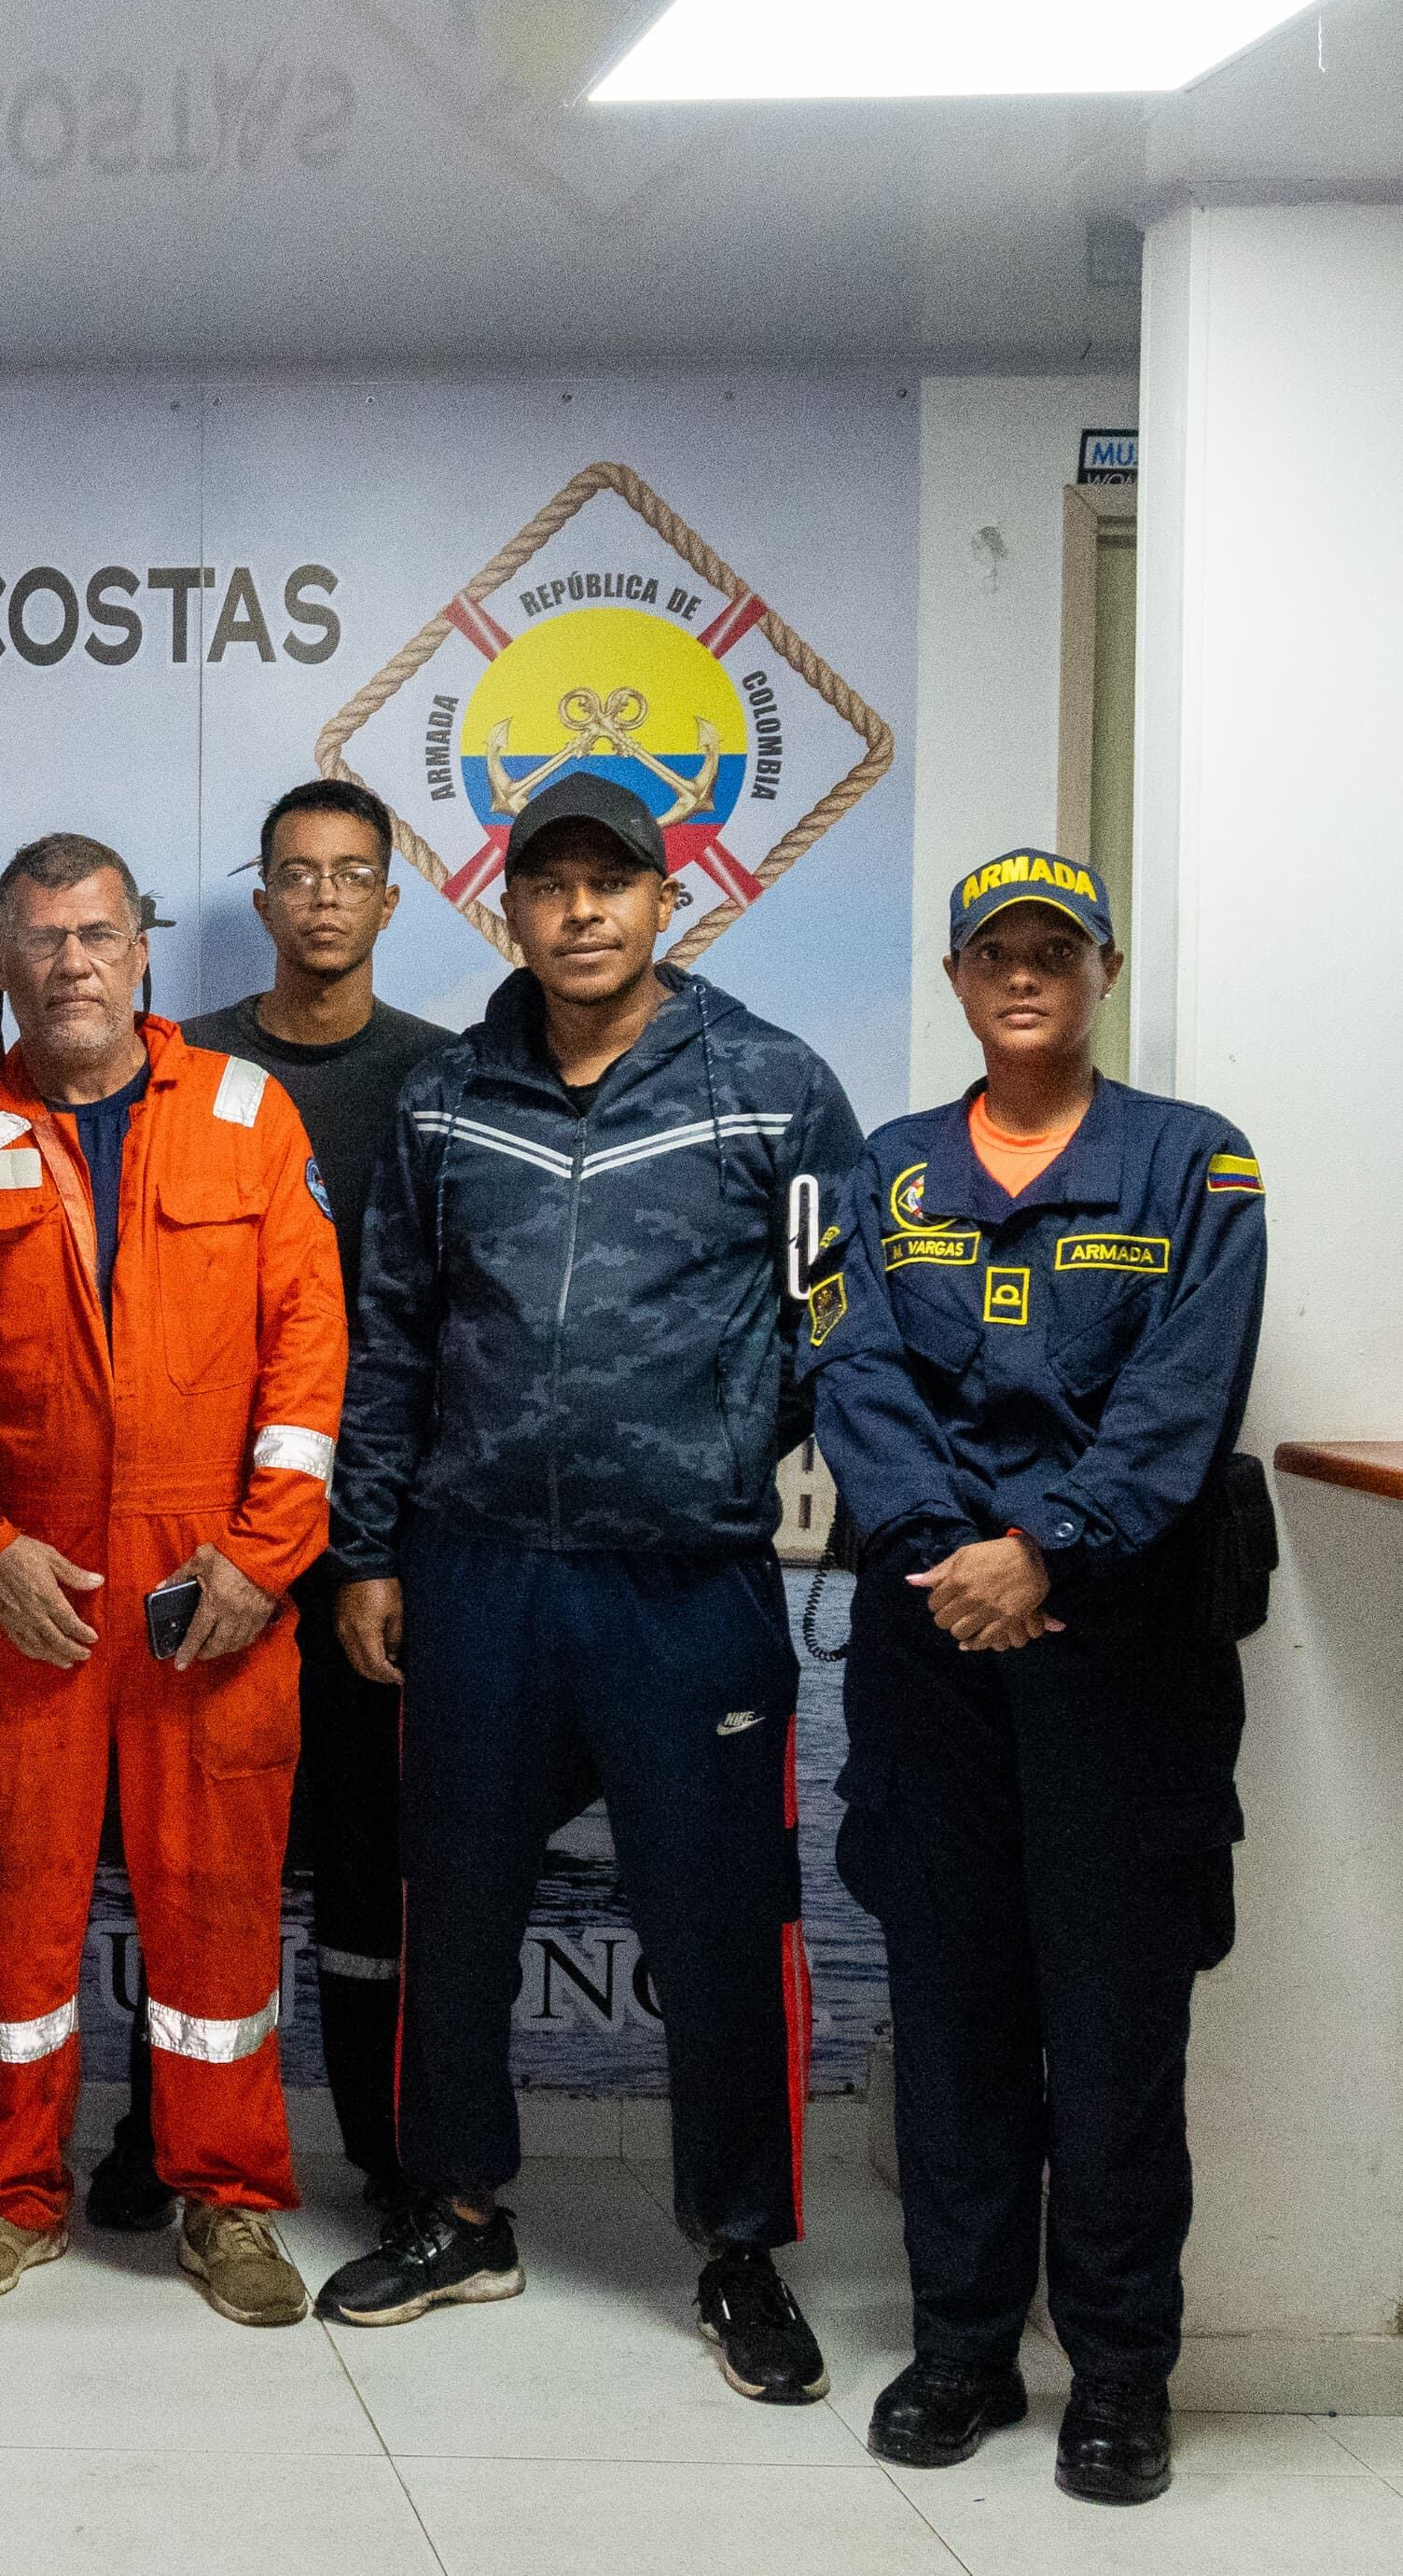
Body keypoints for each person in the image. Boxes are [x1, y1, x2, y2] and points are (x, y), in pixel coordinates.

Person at [313, 771, 864, 2408]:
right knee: (456, 1909)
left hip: (684, 1581)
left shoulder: (775, 1086)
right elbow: (393, 1333)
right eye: (547, 883)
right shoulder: (445, 1096)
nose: (580, 910)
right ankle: (459, 2207)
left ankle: (742, 2246)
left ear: (665, 895)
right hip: (476, 1570)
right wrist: (366, 1549)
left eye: (609, 881)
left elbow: (835, 1320)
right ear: (510, 908)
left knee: (720, 1924)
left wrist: (712, 1450)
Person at [808, 852, 1265, 2507]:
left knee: (1117, 2024)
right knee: (956, 2016)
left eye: (1052, 952)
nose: (1023, 976)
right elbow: (848, 1367)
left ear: (1102, 971)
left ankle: (1122, 2377)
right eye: (993, 952)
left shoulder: (1195, 1163)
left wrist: (1047, 1547)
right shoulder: (887, 1171)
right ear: (954, 980)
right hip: (940, 1646)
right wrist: (957, 1552)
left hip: (1123, 1654)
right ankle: (962, 2349)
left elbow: (1183, 1400)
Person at [0, 832, 345, 2325]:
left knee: (217, 1908)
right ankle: (5, 2196)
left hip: (209, 1586)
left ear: (141, 949)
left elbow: (306, 1363)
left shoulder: (246, 1112)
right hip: (27, 1585)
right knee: (13, 1910)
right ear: (0, 963)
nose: (72, 960)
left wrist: (265, 1561)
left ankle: (227, 2201)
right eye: (41, 937)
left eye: (96, 933)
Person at [163, 775, 455, 2225]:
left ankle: (390, 2150)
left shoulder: (446, 1078)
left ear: (389, 902)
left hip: (366, 1547)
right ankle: (173, 2137)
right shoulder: (190, 1068)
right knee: (192, 1862)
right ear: (264, 897)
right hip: (203, 1543)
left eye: (353, 873)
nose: (326, 896)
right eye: (298, 872)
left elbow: (444, 1324)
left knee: (367, 1860)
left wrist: (373, 1543)